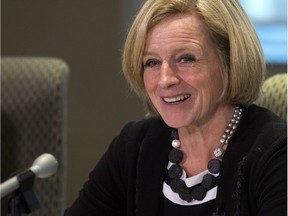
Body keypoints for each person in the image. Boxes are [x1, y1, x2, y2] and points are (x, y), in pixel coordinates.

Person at [65, 0, 287, 215]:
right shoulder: (133, 147)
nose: (165, 79)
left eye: (186, 59)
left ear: (230, 61)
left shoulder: (278, 154)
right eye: (152, 62)